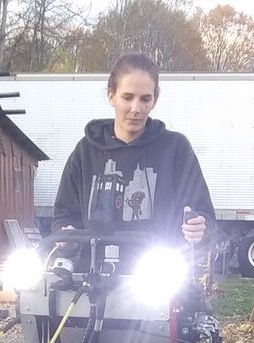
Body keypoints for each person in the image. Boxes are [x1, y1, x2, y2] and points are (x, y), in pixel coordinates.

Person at [52, 53, 215, 251]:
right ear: (111, 95)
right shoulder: (85, 151)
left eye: (145, 99)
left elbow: (204, 217)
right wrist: (65, 234)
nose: (135, 108)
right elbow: (64, 215)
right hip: (91, 273)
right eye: (127, 97)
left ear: (155, 99)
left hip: (159, 273)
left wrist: (198, 227)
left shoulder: (176, 149)